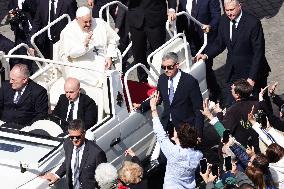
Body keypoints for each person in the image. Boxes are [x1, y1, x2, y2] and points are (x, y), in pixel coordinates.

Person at [195, 0, 271, 107]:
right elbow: (219, 43)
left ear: (239, 6)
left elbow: (258, 53)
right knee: (232, 103)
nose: (229, 13)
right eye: (227, 10)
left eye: (232, 10)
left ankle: (268, 121)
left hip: (253, 72)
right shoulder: (224, 20)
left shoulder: (253, 23)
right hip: (234, 71)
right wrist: (206, 55)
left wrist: (252, 78)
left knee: (261, 102)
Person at [137, 52, 204, 137]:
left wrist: (198, 133)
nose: (166, 70)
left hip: (185, 128)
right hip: (167, 126)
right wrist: (142, 105)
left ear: (177, 65)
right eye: (163, 67)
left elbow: (198, 109)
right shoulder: (162, 79)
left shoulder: (190, 82)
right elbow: (158, 97)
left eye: (169, 67)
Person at [150, 90, 203, 188]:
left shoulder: (173, 153)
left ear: (179, 137)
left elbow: (160, 133)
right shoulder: (198, 155)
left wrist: (153, 108)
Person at [59, 6, 119, 86]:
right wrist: (85, 45)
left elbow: (112, 41)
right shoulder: (69, 31)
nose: (89, 24)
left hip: (103, 61)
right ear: (77, 20)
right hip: (82, 65)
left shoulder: (100, 23)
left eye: (90, 21)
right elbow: (70, 54)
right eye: (85, 22)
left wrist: (109, 56)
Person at [41, 119, 107, 189]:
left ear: (84, 133)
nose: (75, 140)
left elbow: (104, 179)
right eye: (72, 137)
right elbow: (68, 161)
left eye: (77, 137)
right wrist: (57, 175)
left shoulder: (97, 153)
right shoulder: (67, 144)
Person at [177, 0, 222, 102]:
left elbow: (216, 16)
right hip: (190, 39)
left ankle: (215, 92)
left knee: (206, 68)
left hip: (205, 40)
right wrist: (178, 37)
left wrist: (210, 26)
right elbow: (180, 20)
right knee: (192, 66)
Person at [127, 0, 177, 82]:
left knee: (159, 53)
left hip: (156, 17)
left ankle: (163, 81)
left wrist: (172, 9)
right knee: (138, 53)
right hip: (136, 18)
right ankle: (143, 82)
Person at [215, 79, 261, 152]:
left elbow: (224, 130)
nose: (230, 89)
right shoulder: (256, 102)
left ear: (237, 95)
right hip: (257, 142)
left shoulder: (233, 110)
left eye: (232, 89)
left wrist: (219, 113)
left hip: (243, 148)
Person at [0, 64, 48, 128]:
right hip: (3, 125)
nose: (10, 82)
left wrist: (28, 128)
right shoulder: (5, 86)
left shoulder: (38, 92)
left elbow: (40, 115)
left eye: (13, 79)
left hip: (24, 129)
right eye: (10, 78)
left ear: (24, 80)